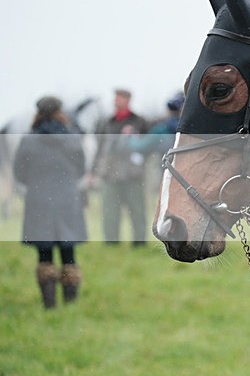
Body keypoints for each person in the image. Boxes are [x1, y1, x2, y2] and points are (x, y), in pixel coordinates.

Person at [13, 96, 87, 308]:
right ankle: (71, 303)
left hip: (39, 201)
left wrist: (38, 183)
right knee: (68, 252)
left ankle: (49, 304)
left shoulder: (28, 140)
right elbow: (81, 169)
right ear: (60, 111)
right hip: (67, 200)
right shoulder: (72, 138)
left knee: (44, 253)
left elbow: (19, 172)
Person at [91, 88, 149, 246]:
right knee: (110, 212)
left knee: (137, 211)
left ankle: (139, 244)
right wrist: (93, 170)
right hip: (109, 175)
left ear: (128, 99)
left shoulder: (139, 121)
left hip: (133, 175)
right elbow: (99, 148)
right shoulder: (105, 123)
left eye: (119, 97)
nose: (116, 100)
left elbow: (147, 146)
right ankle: (111, 244)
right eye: (115, 97)